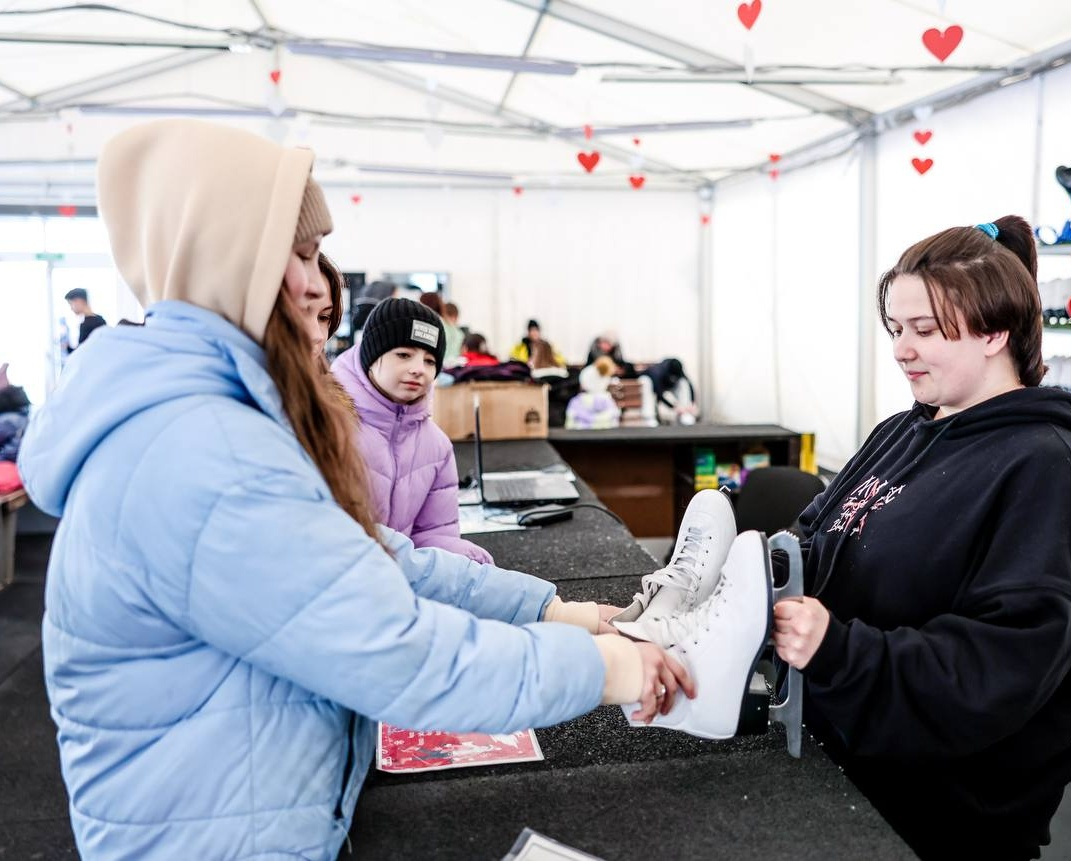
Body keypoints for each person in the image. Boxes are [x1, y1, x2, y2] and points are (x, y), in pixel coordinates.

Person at [16, 118, 693, 859]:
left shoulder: (210, 423)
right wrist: (611, 666)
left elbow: (386, 562)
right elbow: (401, 652)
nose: (315, 283)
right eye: (296, 254)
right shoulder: (202, 453)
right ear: (227, 255)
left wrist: (558, 610)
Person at [770, 217, 1071, 859]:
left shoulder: (1049, 473)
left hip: (942, 826)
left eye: (925, 331)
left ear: (996, 331)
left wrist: (838, 652)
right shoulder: (901, 433)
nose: (902, 349)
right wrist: (756, 571)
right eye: (897, 330)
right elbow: (814, 536)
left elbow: (997, 670)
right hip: (836, 777)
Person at [331, 297, 493, 563]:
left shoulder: (437, 447)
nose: (418, 369)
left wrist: (463, 559)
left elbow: (433, 533)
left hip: (402, 584)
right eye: (404, 355)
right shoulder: (327, 425)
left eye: (430, 361)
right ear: (371, 355)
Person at [640, 358, 698, 425]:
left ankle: (685, 413)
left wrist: (692, 402)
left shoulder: (677, 370)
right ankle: (649, 417)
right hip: (653, 386)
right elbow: (659, 394)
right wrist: (673, 407)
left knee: (683, 383)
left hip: (667, 385)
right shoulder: (656, 372)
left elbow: (688, 383)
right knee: (645, 381)